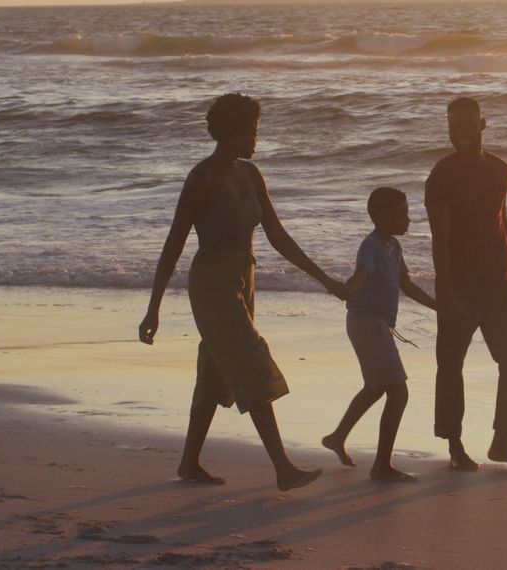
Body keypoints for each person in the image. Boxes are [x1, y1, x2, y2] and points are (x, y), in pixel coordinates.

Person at [137, 92, 348, 491]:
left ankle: (188, 463)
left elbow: (278, 236)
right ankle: (283, 468)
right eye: (251, 132)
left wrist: (328, 282)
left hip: (244, 278)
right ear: (231, 132)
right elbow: (174, 243)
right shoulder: (203, 179)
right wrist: (153, 309)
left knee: (215, 371)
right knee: (251, 362)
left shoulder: (251, 175)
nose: (256, 139)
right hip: (212, 281)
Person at [425, 97, 507, 471]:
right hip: (459, 283)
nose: (461, 132)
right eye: (454, 126)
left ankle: (501, 441)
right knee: (451, 363)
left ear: (483, 124)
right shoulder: (441, 175)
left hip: (496, 282)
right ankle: (454, 445)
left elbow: (500, 220)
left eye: (468, 124)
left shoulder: (501, 170)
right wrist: (445, 290)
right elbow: (439, 236)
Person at [321, 187, 437, 482]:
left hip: (374, 324)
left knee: (375, 387)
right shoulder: (371, 246)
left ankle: (337, 437)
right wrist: (349, 287)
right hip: (367, 323)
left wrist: (439, 307)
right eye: (402, 215)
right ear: (380, 217)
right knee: (398, 392)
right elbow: (361, 274)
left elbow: (406, 285)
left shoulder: (393, 247)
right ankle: (381, 465)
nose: (408, 220)